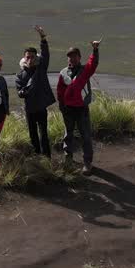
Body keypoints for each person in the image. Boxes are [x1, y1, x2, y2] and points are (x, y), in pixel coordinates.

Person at [56, 39, 100, 173]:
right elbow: (60, 91)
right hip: (68, 109)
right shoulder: (63, 73)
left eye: (74, 56)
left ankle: (87, 163)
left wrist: (95, 50)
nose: (72, 58)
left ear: (79, 57)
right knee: (68, 135)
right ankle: (68, 159)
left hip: (82, 109)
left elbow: (93, 63)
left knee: (85, 136)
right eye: (70, 56)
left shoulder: (85, 70)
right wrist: (61, 106)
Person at [16, 25, 55, 157]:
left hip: (41, 107)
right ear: (24, 58)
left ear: (35, 57)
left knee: (43, 134)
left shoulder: (41, 67)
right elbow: (19, 90)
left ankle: (47, 157)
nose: (30, 59)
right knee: (32, 134)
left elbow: (45, 54)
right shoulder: (20, 75)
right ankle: (37, 156)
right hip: (29, 109)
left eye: (32, 57)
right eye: (28, 57)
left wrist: (43, 39)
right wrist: (22, 92)